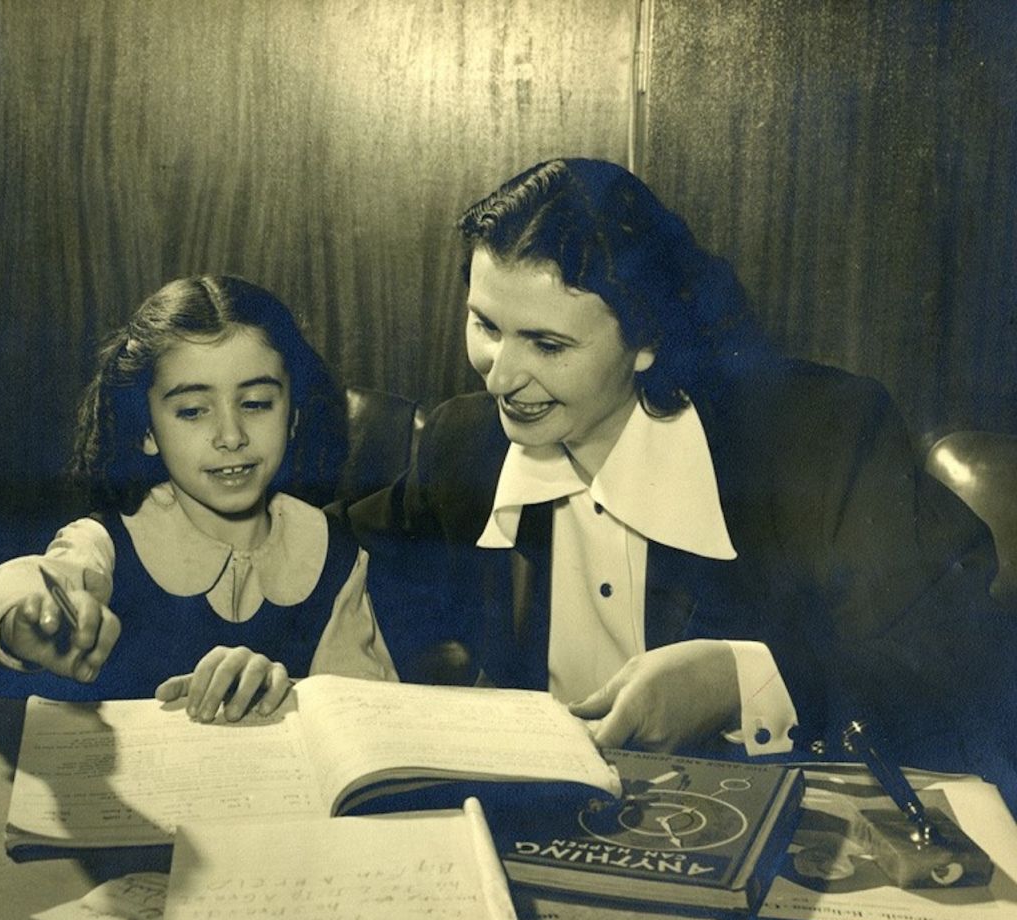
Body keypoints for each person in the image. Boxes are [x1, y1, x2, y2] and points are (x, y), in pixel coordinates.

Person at [348, 157, 1016, 787]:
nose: (503, 375)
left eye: (548, 345)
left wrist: (739, 682)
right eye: (486, 325)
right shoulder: (465, 444)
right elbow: (335, 558)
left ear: (646, 341)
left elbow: (967, 661)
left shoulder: (821, 439)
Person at [0, 275, 398, 718]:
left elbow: (366, 721)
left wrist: (288, 697)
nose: (230, 434)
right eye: (192, 410)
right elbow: (17, 586)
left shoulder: (333, 552)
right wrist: (28, 613)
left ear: (293, 414)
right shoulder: (107, 540)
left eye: (257, 403)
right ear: (147, 430)